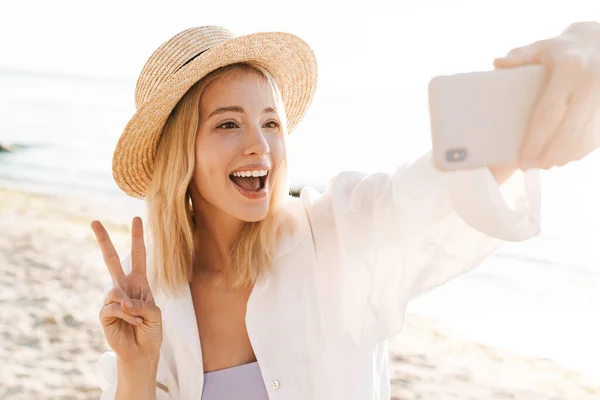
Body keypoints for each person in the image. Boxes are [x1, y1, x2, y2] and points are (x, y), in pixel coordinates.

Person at [91, 23, 600, 399]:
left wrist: (580, 52)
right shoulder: (153, 302)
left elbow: (427, 194)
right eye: (228, 124)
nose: (260, 147)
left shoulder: (337, 233)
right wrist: (137, 370)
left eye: (271, 123)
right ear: (183, 155)